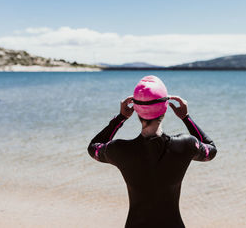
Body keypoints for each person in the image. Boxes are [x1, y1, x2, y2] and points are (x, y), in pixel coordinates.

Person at [87, 75, 217, 228]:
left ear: (136, 109)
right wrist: (186, 117)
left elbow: (94, 147)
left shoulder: (120, 150)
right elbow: (211, 150)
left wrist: (120, 118)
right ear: (166, 107)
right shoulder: (186, 145)